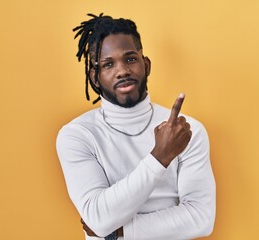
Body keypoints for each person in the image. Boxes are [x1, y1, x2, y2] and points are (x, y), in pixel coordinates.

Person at [56, 13, 216, 240]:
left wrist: (117, 231)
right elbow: (98, 217)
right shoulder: (77, 135)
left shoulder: (186, 131)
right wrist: (159, 157)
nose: (122, 71)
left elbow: (201, 218)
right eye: (108, 64)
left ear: (146, 65)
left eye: (130, 59)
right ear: (95, 77)